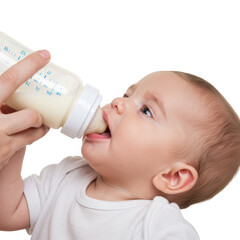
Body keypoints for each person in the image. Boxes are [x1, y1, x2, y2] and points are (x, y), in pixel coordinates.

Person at [0, 51, 239, 240]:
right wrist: (16, 142)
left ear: (173, 177)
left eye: (146, 111)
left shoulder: (158, 226)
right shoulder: (67, 175)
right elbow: (8, 213)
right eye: (127, 95)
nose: (117, 102)